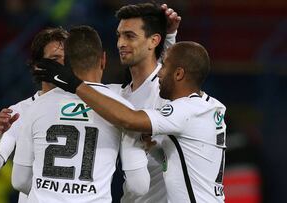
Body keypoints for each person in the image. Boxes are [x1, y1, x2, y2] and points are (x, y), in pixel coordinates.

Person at [35, 41, 227, 203]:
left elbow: (127, 119)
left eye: (165, 66)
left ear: (178, 74)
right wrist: (154, 149)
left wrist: (73, 83)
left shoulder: (185, 111)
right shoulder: (211, 107)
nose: (159, 73)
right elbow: (189, 161)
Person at [12, 25, 150, 203]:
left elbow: (20, 180)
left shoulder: (36, 106)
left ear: (66, 63)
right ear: (103, 59)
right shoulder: (123, 111)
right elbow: (139, 186)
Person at [0, 27, 69, 203]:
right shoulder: (20, 111)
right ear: (37, 65)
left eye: (67, 59)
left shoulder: (90, 106)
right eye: (55, 59)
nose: (63, 65)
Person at [112, 3, 181, 202]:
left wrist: (170, 37)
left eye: (130, 36)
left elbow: (177, 70)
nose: (120, 43)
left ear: (153, 41)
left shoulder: (169, 90)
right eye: (119, 35)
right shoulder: (118, 95)